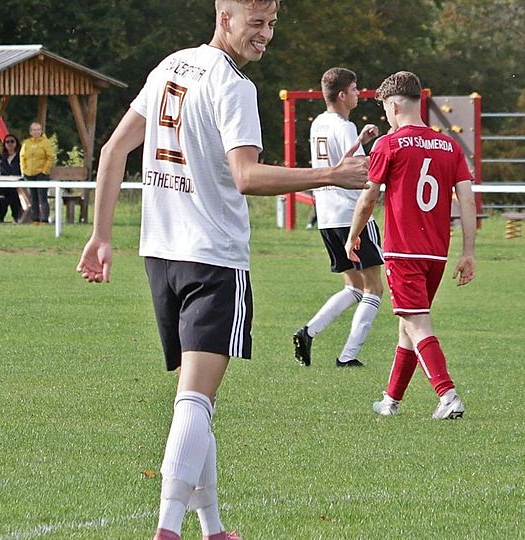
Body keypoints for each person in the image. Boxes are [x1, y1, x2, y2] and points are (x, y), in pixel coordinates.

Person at [75, 1, 368, 538]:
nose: (267, 35)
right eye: (256, 24)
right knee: (195, 400)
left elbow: (115, 150)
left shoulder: (170, 65)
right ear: (224, 17)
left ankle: (212, 526)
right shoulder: (234, 85)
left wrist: (101, 235)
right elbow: (247, 176)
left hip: (161, 256)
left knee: (198, 396)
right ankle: (167, 528)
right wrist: (332, 175)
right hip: (212, 258)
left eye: (273, 23)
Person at [345, 70, 475, 420]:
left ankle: (447, 395)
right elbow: (466, 201)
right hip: (436, 252)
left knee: (417, 324)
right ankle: (390, 400)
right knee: (408, 325)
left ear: (394, 105)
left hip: (403, 250)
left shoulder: (388, 144)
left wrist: (354, 233)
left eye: (386, 109)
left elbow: (369, 196)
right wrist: (468, 252)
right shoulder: (450, 146)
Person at [293, 67, 380, 368]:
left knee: (353, 287)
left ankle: (308, 331)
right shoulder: (344, 126)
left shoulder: (319, 123)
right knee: (374, 288)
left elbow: (336, 163)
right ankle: (349, 356)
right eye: (355, 89)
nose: (358, 94)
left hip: (328, 216)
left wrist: (360, 141)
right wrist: (378, 152)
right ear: (342, 94)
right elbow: (357, 170)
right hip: (350, 215)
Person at [20, 121, 55, 223]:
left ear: (41, 131)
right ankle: (35, 219)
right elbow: (22, 157)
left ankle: (44, 219)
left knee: (42, 197)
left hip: (41, 174)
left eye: (38, 130)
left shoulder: (46, 142)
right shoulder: (26, 143)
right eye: (34, 130)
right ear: (30, 132)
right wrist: (24, 170)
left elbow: (51, 157)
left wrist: (45, 171)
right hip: (29, 174)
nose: (36, 132)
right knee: (33, 198)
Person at [0, 133, 24, 223]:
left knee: (15, 202)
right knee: (2, 202)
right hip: (3, 185)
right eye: (7, 142)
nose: (9, 143)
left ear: (16, 143)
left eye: (12, 141)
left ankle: (17, 218)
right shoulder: (0, 158)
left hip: (17, 186)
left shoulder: (21, 157)